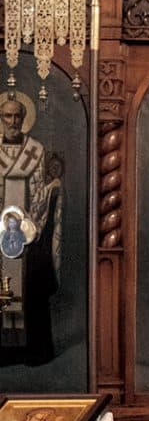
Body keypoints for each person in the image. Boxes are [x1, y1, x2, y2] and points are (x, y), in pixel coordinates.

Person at [0, 93, 58, 366]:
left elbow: (39, 193)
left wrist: (26, 227)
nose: (12, 121)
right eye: (7, 116)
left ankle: (32, 350)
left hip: (27, 232)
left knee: (30, 288)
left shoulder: (35, 150)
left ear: (24, 119)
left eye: (16, 116)